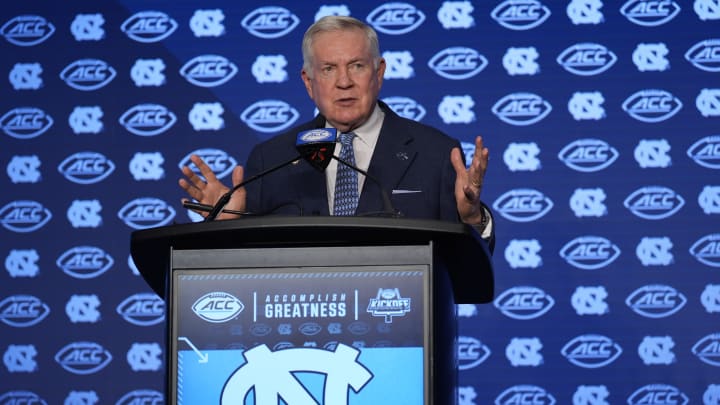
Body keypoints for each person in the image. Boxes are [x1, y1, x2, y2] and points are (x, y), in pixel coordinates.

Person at [179, 15, 494, 250]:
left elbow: (468, 270)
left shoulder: (436, 153)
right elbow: (247, 269)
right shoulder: (271, 159)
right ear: (308, 81)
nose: (344, 82)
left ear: (379, 72)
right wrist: (229, 228)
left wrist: (470, 219)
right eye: (328, 69)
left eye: (356, 66)